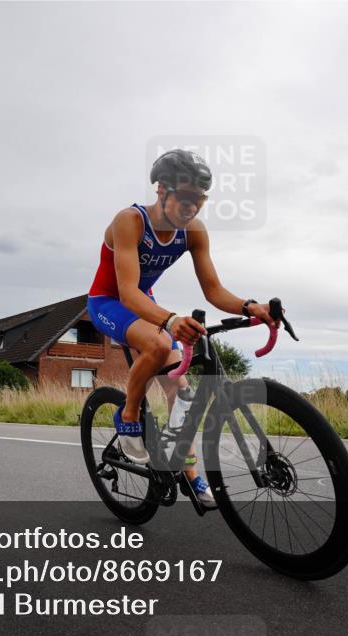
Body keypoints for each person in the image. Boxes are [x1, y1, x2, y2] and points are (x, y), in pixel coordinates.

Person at [87, 149, 277, 508]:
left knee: (181, 389)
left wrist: (251, 307)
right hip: (109, 301)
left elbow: (214, 291)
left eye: (200, 200)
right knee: (159, 346)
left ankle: (189, 472)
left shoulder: (194, 232)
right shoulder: (130, 221)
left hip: (144, 301)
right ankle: (127, 412)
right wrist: (171, 320)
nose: (192, 207)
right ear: (161, 190)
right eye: (185, 198)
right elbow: (127, 292)